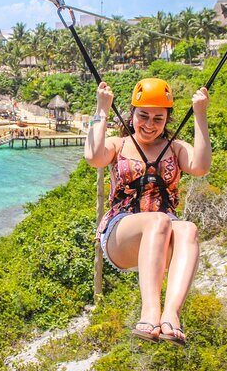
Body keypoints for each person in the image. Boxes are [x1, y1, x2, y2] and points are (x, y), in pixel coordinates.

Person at [84, 78, 211, 346]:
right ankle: (149, 312)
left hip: (163, 235)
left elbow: (200, 166)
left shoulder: (175, 148)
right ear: (132, 115)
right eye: (143, 116)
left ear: (167, 120)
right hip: (122, 234)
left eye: (158, 119)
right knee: (159, 220)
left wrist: (200, 114)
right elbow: (93, 156)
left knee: (187, 228)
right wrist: (102, 110)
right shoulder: (118, 145)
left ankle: (170, 316)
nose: (150, 125)